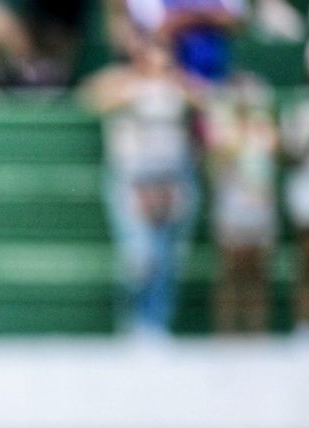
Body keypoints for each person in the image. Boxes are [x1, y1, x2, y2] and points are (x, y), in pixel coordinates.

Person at [82, 34, 201, 338]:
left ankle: (157, 322)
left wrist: (173, 83)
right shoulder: (120, 81)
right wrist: (134, 87)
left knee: (167, 258)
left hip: (171, 180)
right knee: (138, 257)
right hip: (132, 181)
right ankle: (133, 322)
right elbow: (91, 99)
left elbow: (206, 99)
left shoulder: (178, 84)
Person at [205, 72, 280, 333]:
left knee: (258, 273)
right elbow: (216, 163)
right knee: (230, 272)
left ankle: (257, 330)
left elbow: (273, 153)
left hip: (259, 205)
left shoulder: (263, 126)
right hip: (231, 207)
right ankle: (227, 332)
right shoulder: (222, 128)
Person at [280, 39, 309, 338]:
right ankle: (304, 323)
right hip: (308, 189)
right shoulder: (301, 109)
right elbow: (289, 155)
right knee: (307, 259)